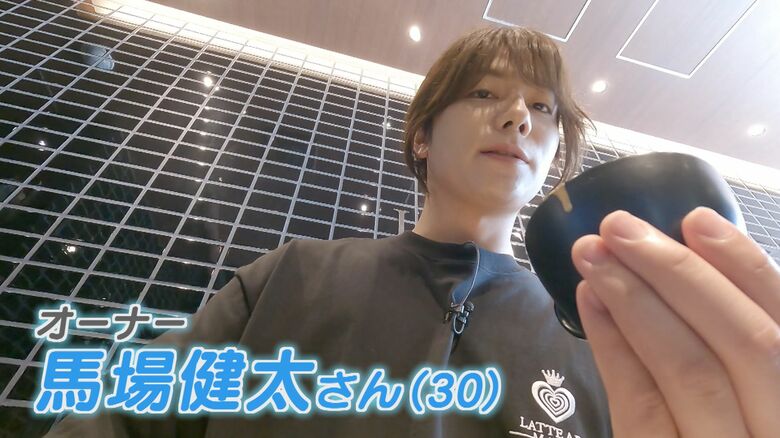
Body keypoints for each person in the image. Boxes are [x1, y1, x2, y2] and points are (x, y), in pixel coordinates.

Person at [43, 25, 779, 438]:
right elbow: (114, 421)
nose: (517, 118)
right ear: (422, 136)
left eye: (541, 108)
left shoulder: (595, 341)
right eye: (485, 94)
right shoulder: (294, 276)